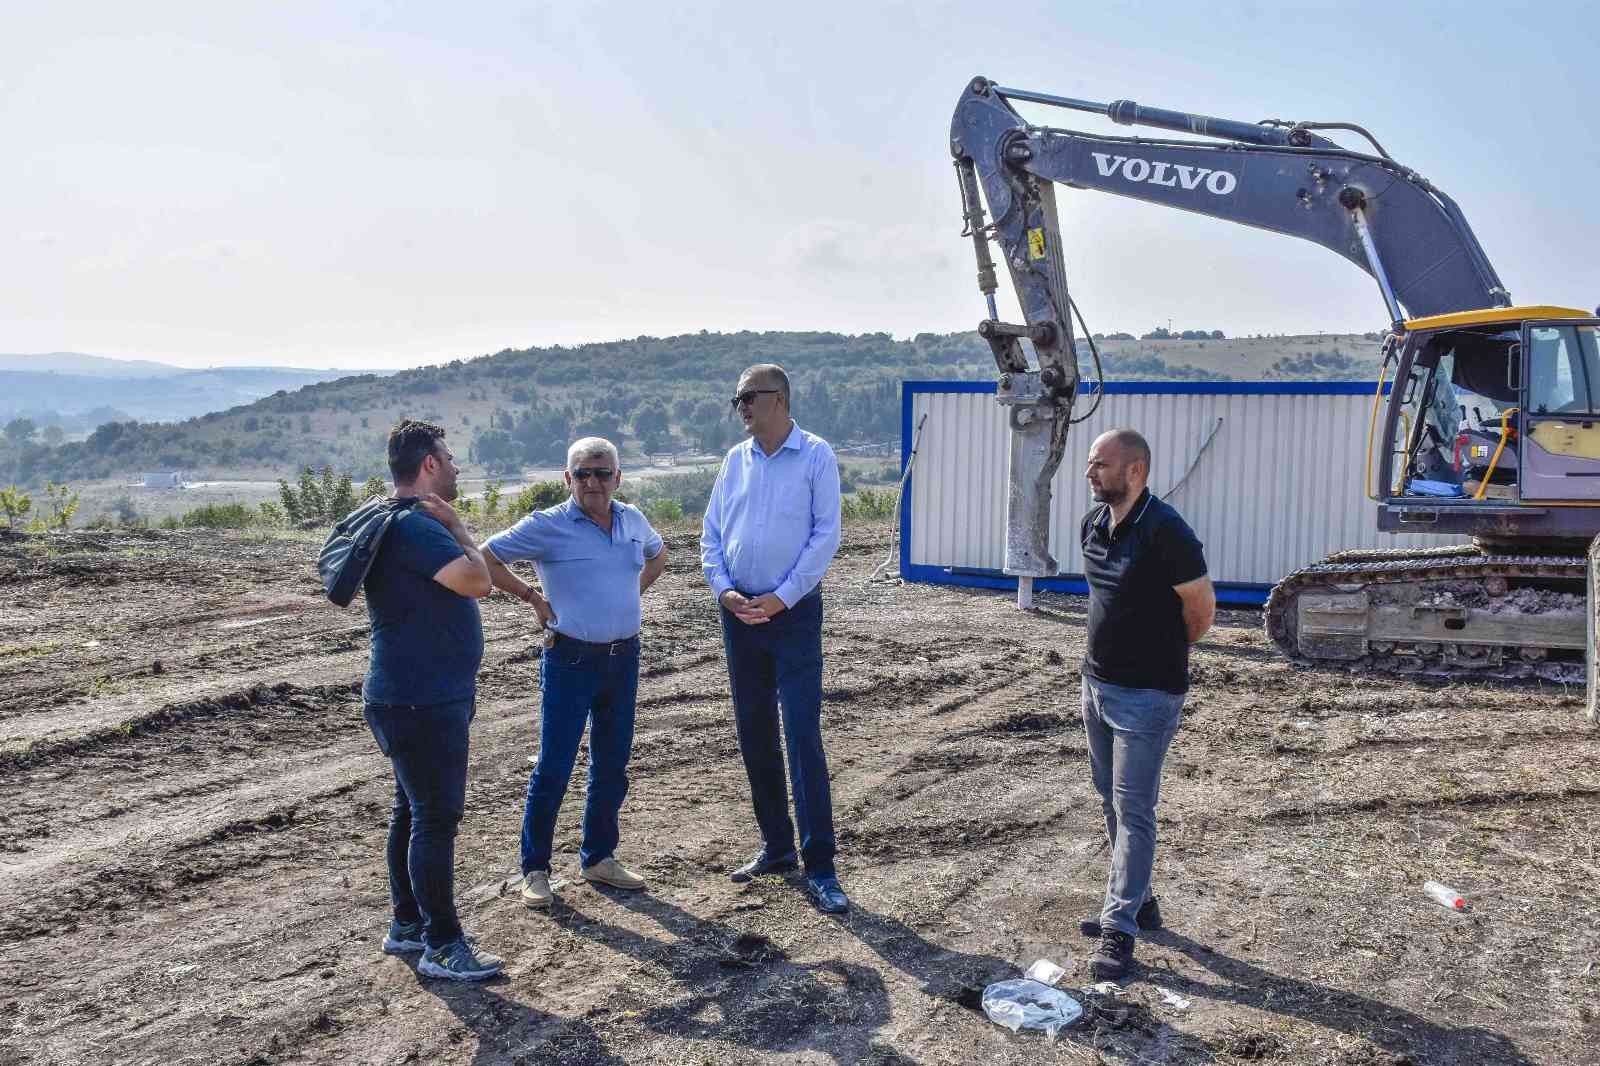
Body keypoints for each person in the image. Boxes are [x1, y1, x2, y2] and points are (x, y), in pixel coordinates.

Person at [481, 437, 667, 910]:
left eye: (603, 473)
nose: (593, 482)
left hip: (623, 658)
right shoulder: (548, 526)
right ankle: (536, 869)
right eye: (582, 473)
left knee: (612, 763)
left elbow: (657, 555)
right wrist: (530, 597)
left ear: (618, 478)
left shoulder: (633, 520)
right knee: (555, 766)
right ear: (567, 479)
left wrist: (630, 592)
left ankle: (599, 856)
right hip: (570, 659)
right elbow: (485, 557)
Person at [700, 364, 847, 914]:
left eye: (748, 397)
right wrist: (725, 592)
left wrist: (782, 597)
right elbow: (711, 535)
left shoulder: (815, 456)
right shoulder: (734, 462)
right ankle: (777, 848)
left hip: (793, 616)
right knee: (755, 732)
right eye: (735, 398)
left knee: (802, 737)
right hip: (740, 617)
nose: (740, 406)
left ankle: (822, 865)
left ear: (779, 400)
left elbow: (825, 536)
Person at [362, 420, 504, 981]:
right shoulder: (420, 529)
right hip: (423, 699)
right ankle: (442, 943)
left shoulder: (394, 522)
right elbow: (477, 581)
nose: (456, 466)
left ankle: (407, 925)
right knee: (435, 817)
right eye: (448, 457)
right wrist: (464, 531)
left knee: (411, 811)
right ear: (427, 465)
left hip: (405, 694)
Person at [1077, 428, 1215, 980]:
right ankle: (1139, 901)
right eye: (1090, 464)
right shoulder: (1093, 523)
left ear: (1135, 470)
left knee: (1134, 811)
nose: (1090, 473)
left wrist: (1158, 655)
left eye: (1100, 464)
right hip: (1096, 684)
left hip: (1148, 694)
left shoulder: (1168, 532)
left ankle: (1120, 930)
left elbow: (1200, 612)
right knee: (1110, 801)